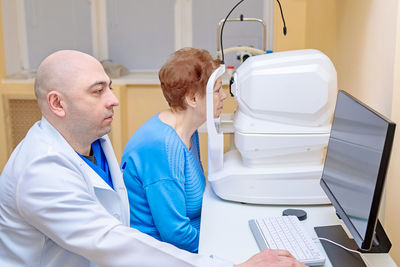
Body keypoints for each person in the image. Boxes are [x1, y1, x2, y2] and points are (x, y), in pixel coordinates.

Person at [0, 49, 305, 267]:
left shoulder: (92, 141)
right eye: (97, 91)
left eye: (109, 87)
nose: (114, 99)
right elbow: (113, 242)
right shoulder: (41, 171)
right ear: (57, 103)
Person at [121, 48, 225, 253]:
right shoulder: (163, 147)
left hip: (191, 242)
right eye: (216, 90)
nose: (224, 96)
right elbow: (175, 235)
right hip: (159, 255)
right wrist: (223, 250)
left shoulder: (188, 132)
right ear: (192, 99)